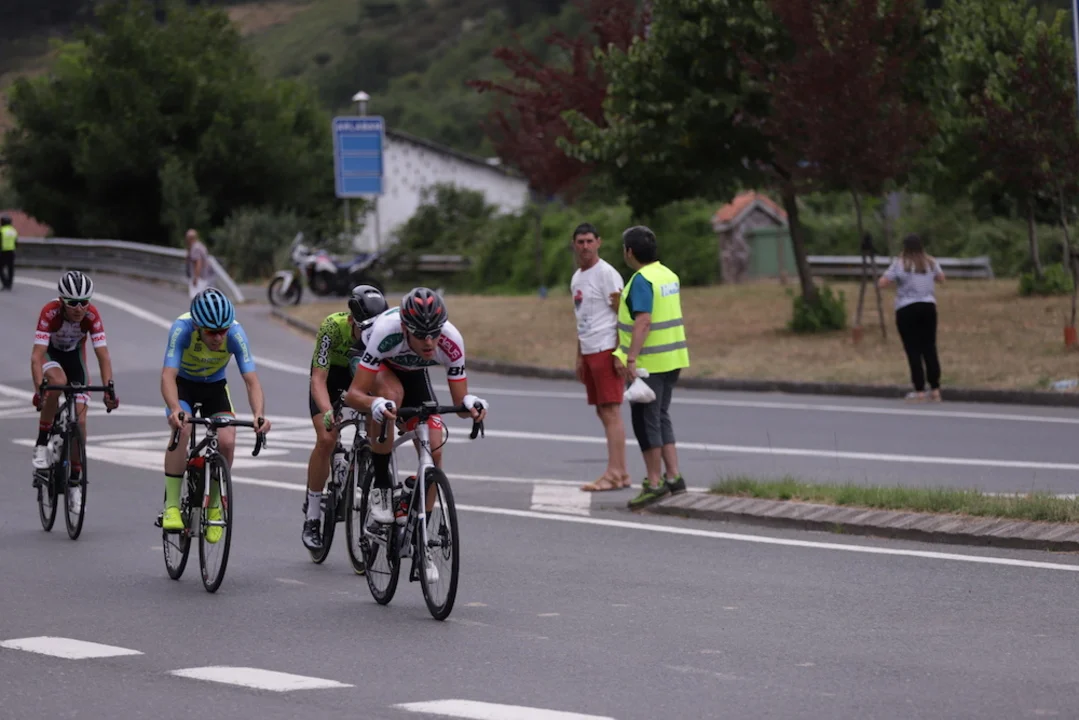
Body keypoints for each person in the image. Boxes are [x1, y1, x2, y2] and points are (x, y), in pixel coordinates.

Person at [339, 287, 489, 578]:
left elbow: (460, 405)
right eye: (421, 335)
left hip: (413, 370)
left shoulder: (451, 340)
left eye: (434, 333)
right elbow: (354, 395)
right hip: (375, 364)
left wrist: (471, 404)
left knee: (434, 449)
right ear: (405, 328)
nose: (430, 341)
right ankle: (382, 489)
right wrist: (374, 404)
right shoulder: (386, 332)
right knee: (391, 396)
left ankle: (420, 540)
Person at [160, 287, 272, 541]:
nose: (219, 337)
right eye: (212, 332)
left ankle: (215, 504)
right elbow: (168, 375)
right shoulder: (181, 329)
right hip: (183, 386)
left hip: (215, 386)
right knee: (182, 429)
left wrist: (259, 414)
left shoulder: (236, 334)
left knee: (227, 441)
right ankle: (172, 505)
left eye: (223, 330)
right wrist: (175, 409)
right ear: (198, 326)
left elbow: (252, 381)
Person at [301, 284, 388, 553]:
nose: (369, 336)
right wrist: (328, 411)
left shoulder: (383, 332)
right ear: (351, 321)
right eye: (364, 330)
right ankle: (312, 517)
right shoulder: (332, 327)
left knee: (377, 429)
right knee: (327, 439)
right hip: (331, 377)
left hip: (361, 375)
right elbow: (318, 378)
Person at [611, 226, 691, 510]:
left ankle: (655, 483)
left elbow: (643, 320)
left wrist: (631, 358)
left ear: (629, 252)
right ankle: (674, 477)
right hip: (672, 359)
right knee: (661, 416)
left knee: (646, 422)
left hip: (649, 365)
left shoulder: (641, 280)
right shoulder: (668, 275)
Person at [31, 271, 120, 509]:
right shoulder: (49, 312)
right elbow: (37, 356)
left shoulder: (92, 315)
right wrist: (39, 390)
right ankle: (41, 443)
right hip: (51, 355)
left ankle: (74, 483)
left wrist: (109, 390)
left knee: (79, 422)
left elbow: (103, 356)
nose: (79, 308)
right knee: (57, 383)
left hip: (74, 359)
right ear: (62, 301)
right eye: (72, 303)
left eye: (84, 302)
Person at [569, 222, 630, 492]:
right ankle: (620, 472)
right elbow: (581, 318)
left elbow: (623, 314)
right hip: (589, 349)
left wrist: (619, 352)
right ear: (574, 245)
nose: (585, 246)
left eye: (589, 241)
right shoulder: (577, 278)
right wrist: (579, 356)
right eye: (580, 242)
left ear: (598, 242)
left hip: (606, 348)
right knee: (601, 410)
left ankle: (615, 472)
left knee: (611, 410)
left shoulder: (607, 274)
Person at [878, 233, 946, 402]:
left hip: (907, 308)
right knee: (929, 347)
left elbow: (883, 282)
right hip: (928, 307)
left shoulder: (900, 263)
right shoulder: (930, 262)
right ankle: (935, 388)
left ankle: (919, 389)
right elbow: (941, 278)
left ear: (905, 247)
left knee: (913, 349)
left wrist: (897, 283)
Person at [185, 229, 215, 300]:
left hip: (199, 277)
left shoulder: (195, 248)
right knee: (200, 298)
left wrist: (196, 278)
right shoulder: (200, 246)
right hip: (204, 276)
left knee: (195, 299)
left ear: (190, 238)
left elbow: (198, 263)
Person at [1, 215, 16, 290]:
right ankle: (9, 284)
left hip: (3, 252)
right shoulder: (13, 230)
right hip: (12, 252)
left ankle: (5, 283)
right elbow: (16, 242)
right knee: (10, 269)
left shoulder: (1, 230)